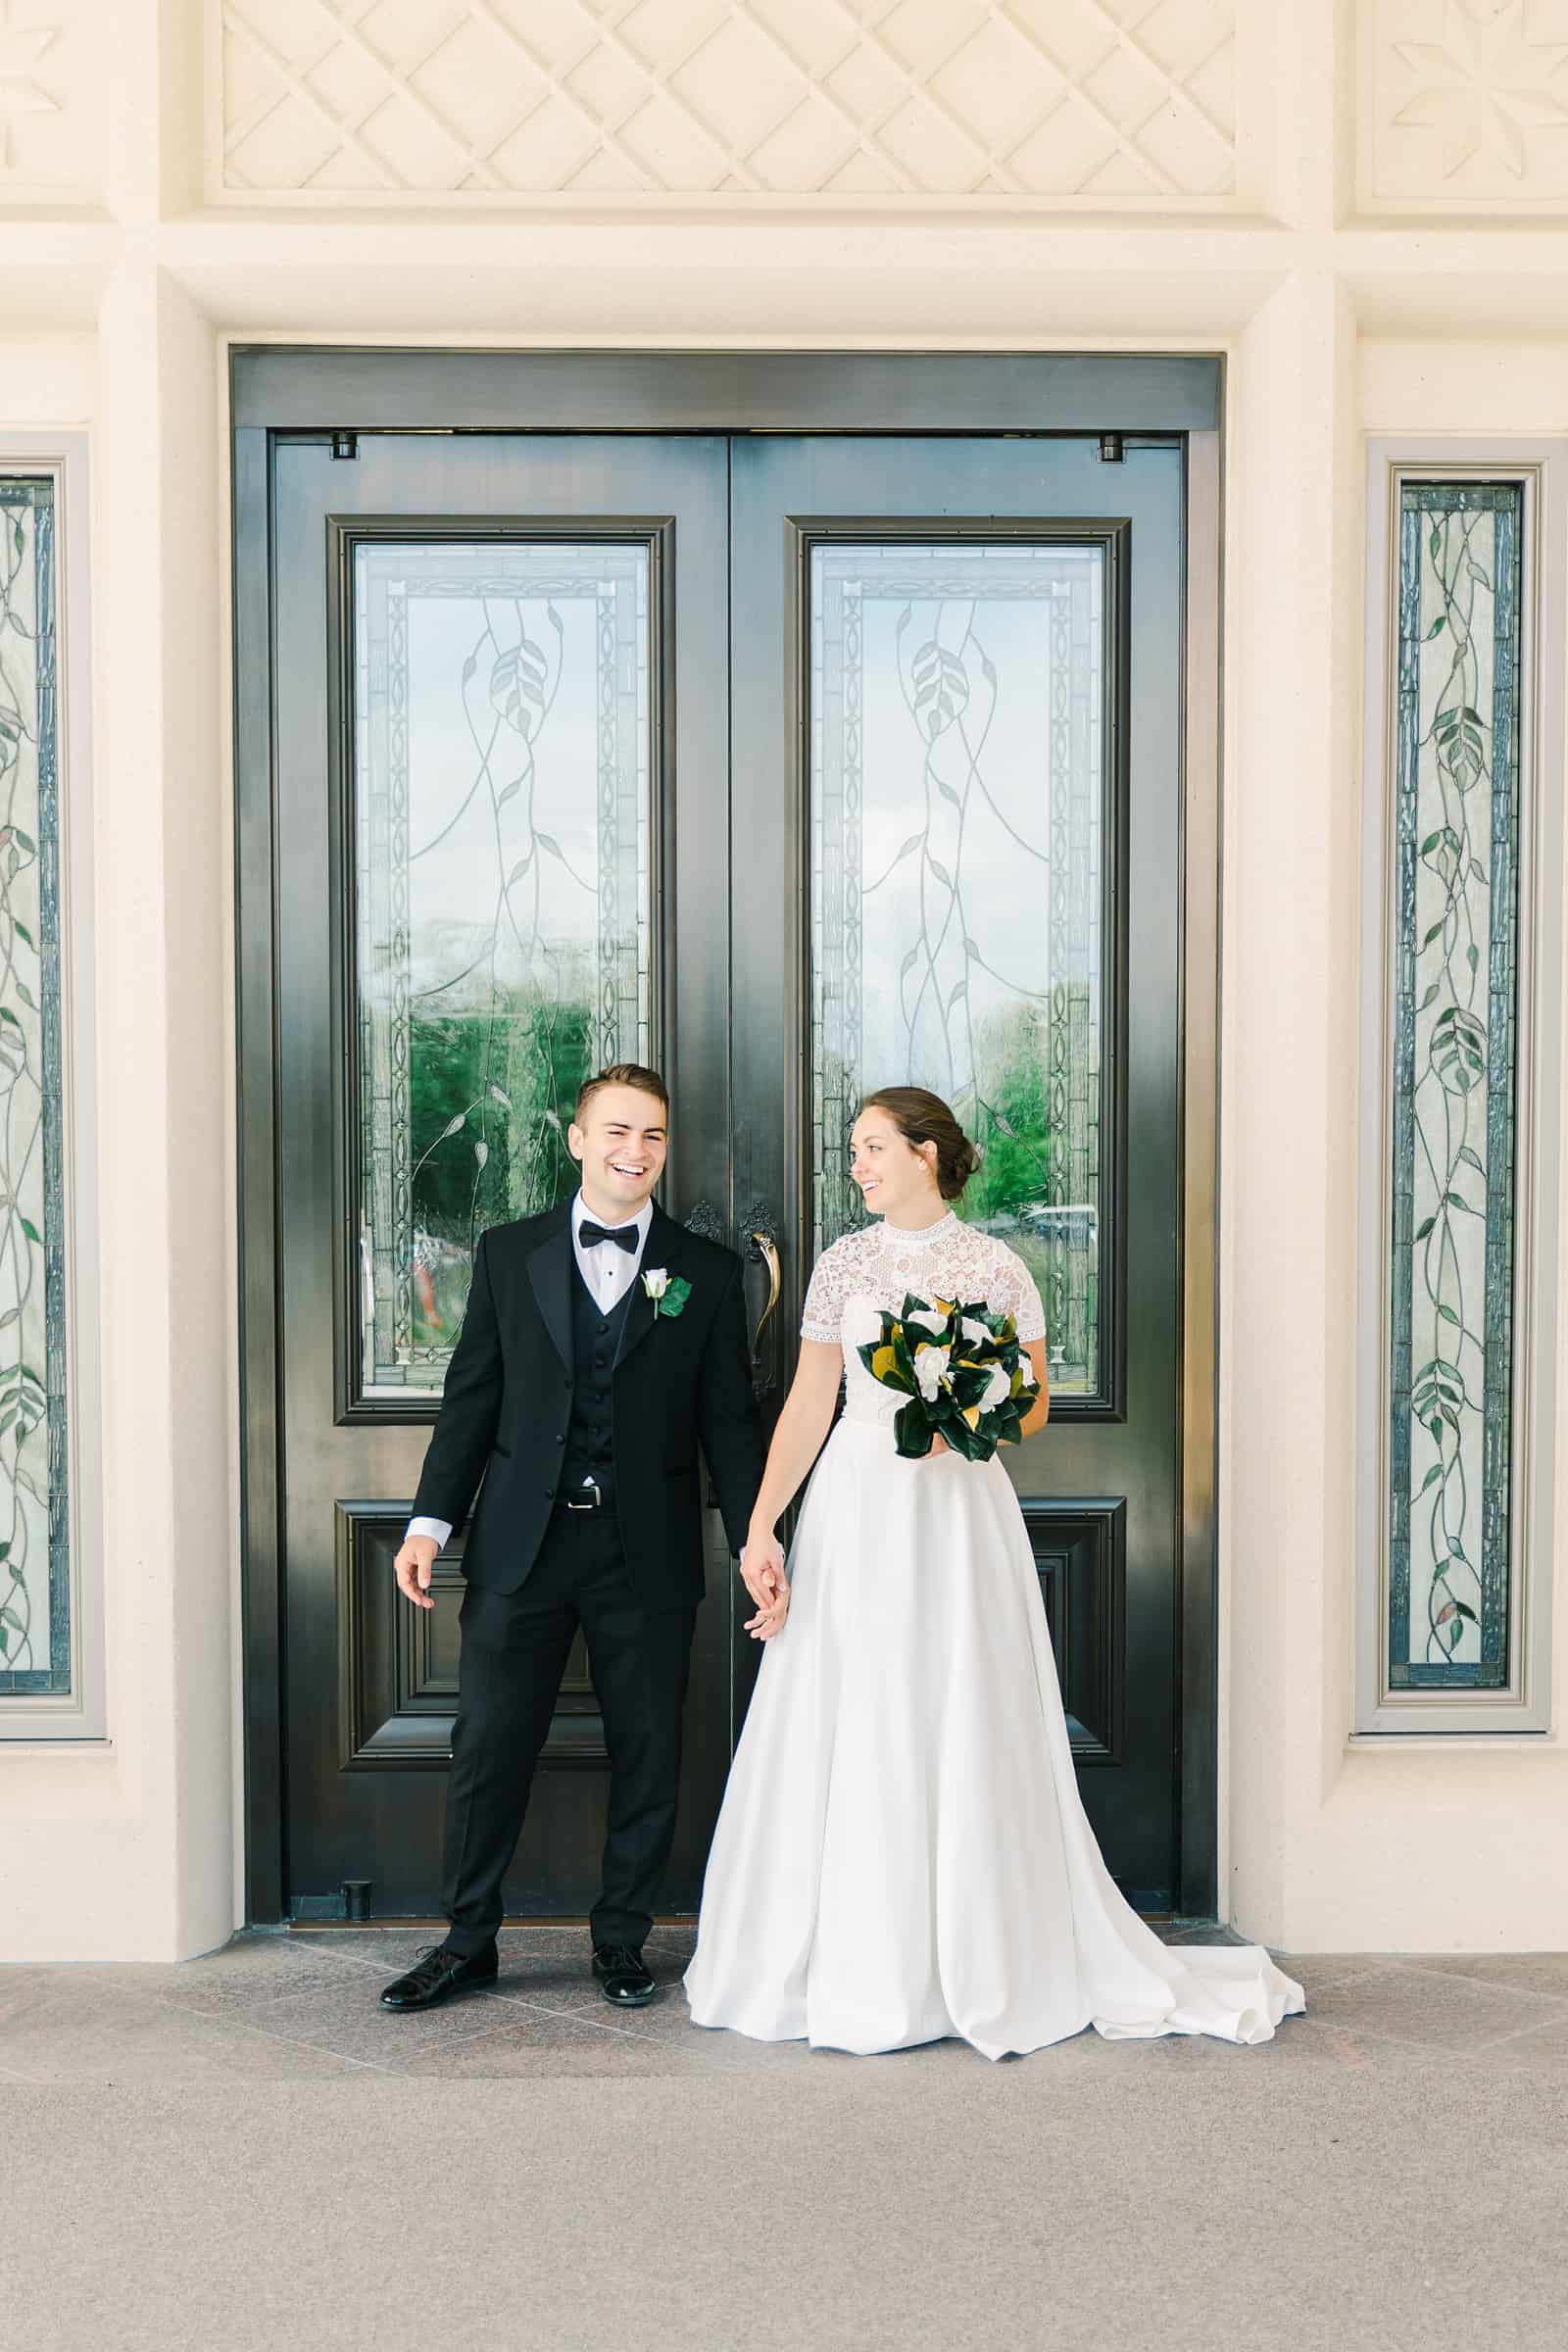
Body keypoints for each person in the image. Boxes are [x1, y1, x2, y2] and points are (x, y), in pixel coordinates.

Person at [683, 1086, 1306, 2059]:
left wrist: (963, 1418)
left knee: (956, 1698)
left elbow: (1034, 1402)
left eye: (873, 1148)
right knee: (856, 1702)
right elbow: (811, 1401)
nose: (858, 1165)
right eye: (855, 1150)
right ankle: (851, 1956)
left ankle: (977, 1949)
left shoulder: (997, 1265)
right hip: (856, 1509)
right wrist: (762, 1523)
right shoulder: (845, 1264)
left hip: (956, 1512)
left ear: (927, 1155)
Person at [380, 1065, 765, 2015]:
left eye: (654, 1137)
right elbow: (471, 1397)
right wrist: (431, 1521)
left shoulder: (705, 1274)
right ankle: (467, 1941)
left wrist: (760, 1542)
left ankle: (622, 1940)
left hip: (649, 1555)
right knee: (488, 1746)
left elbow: (728, 1426)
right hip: (523, 1546)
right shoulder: (507, 1254)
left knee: (648, 1750)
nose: (636, 1152)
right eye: (618, 1132)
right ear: (577, 1140)